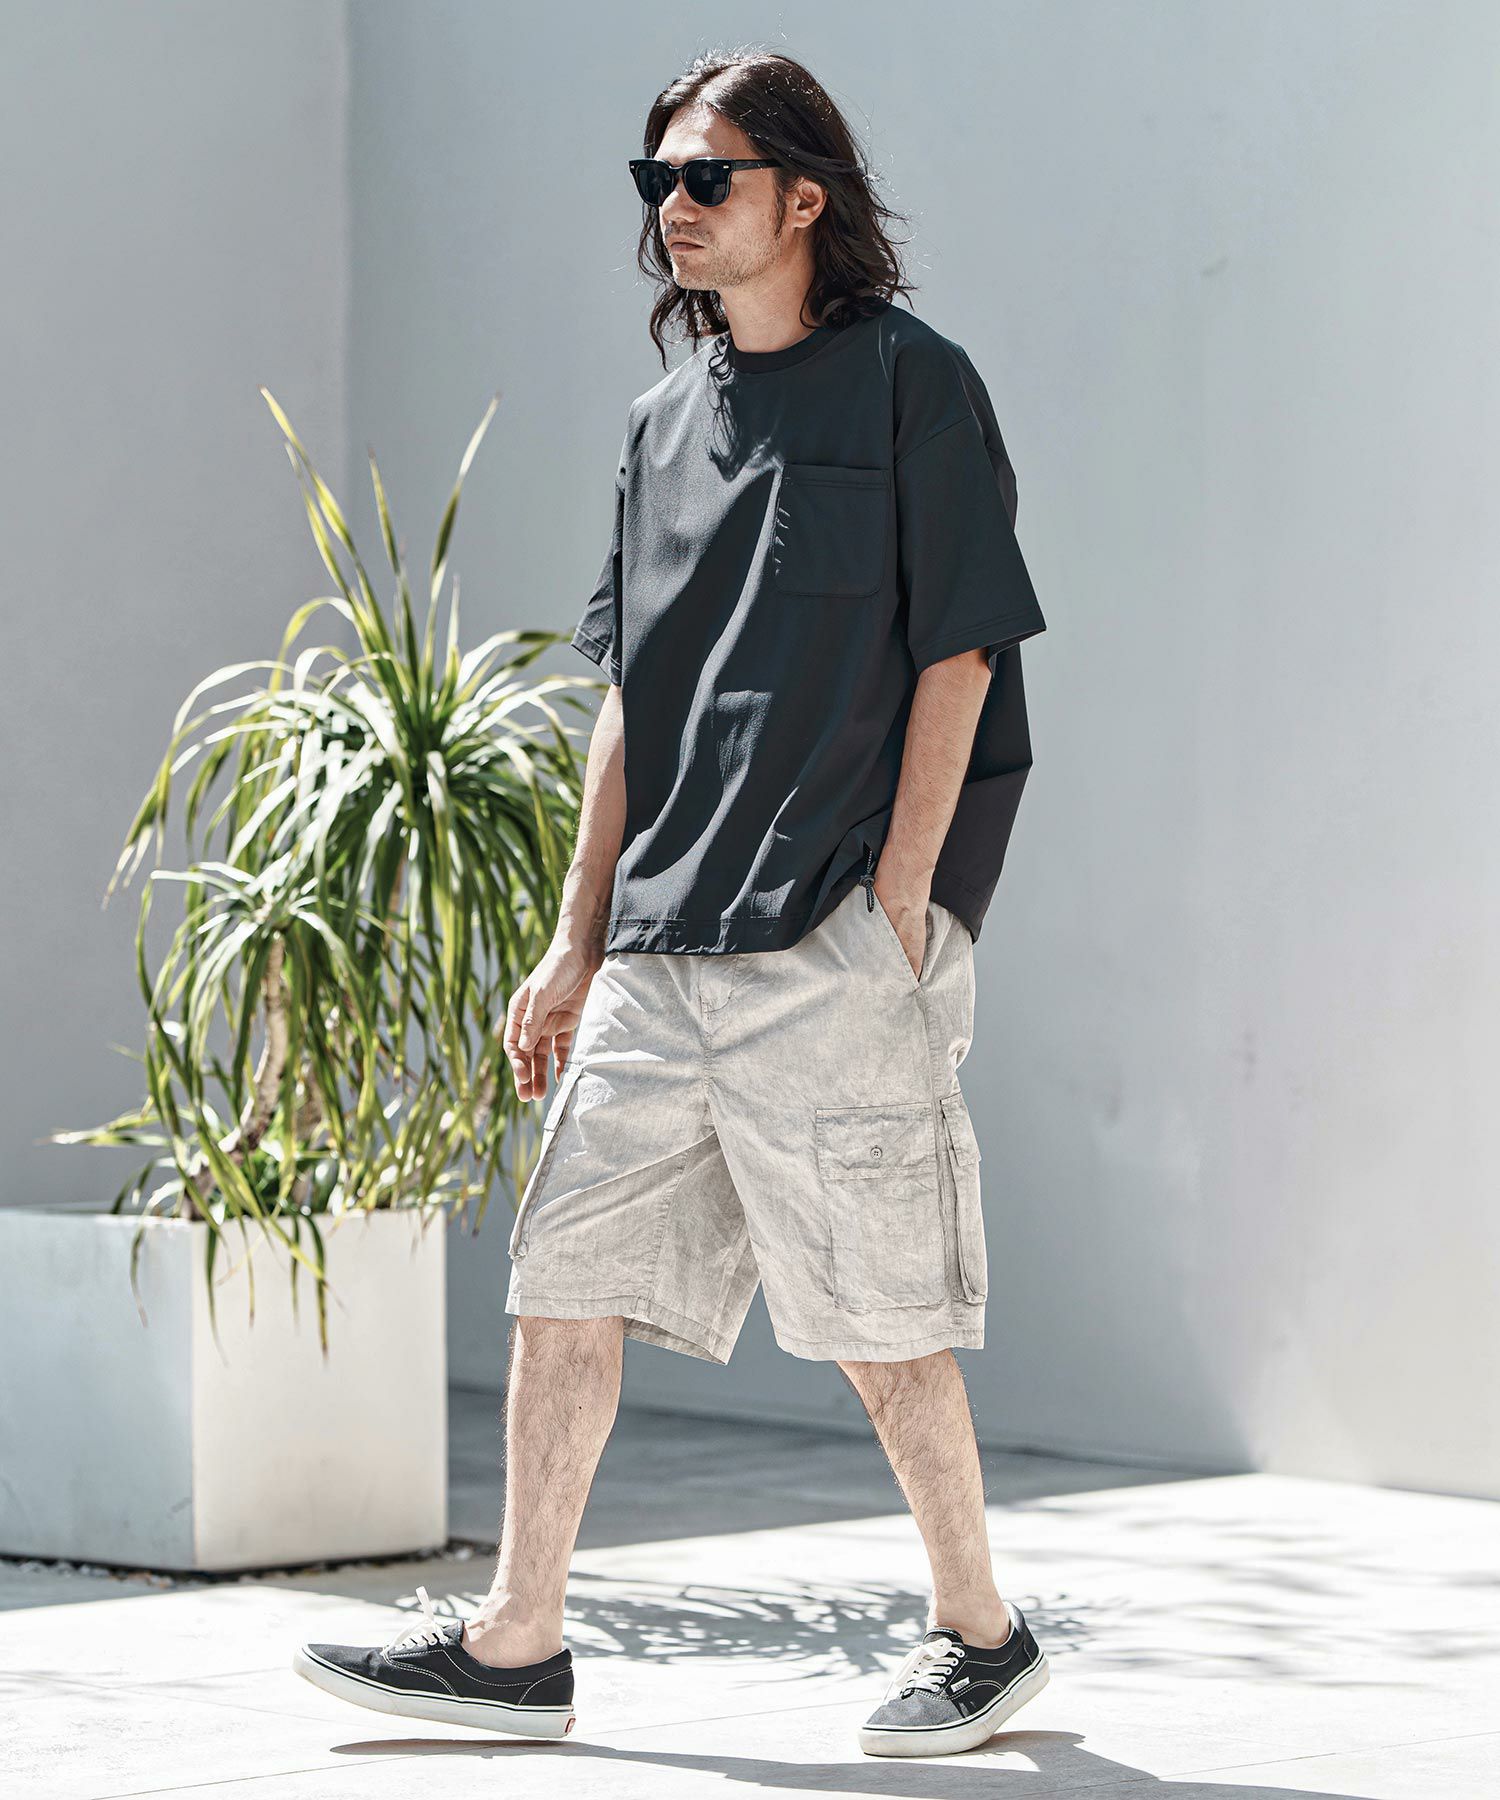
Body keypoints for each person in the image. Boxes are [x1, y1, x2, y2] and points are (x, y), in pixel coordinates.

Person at [293, 46, 1050, 1760]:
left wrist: (901, 902)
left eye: (707, 176)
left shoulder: (914, 386)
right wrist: (576, 940)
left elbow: (962, 650)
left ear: (805, 196)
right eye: (658, 180)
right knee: (564, 1274)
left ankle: (982, 1635)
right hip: (661, 938)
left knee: (877, 1317)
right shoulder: (660, 426)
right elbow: (630, 696)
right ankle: (518, 1644)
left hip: (832, 934)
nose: (674, 208)